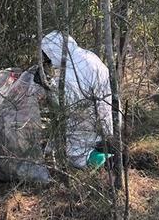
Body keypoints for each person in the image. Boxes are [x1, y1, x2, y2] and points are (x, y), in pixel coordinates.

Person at [40, 31, 113, 169]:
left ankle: (104, 161)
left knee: (73, 154)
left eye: (47, 56)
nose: (46, 60)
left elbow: (68, 105)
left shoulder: (69, 74)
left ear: (55, 52)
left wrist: (47, 95)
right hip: (105, 119)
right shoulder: (87, 56)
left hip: (86, 123)